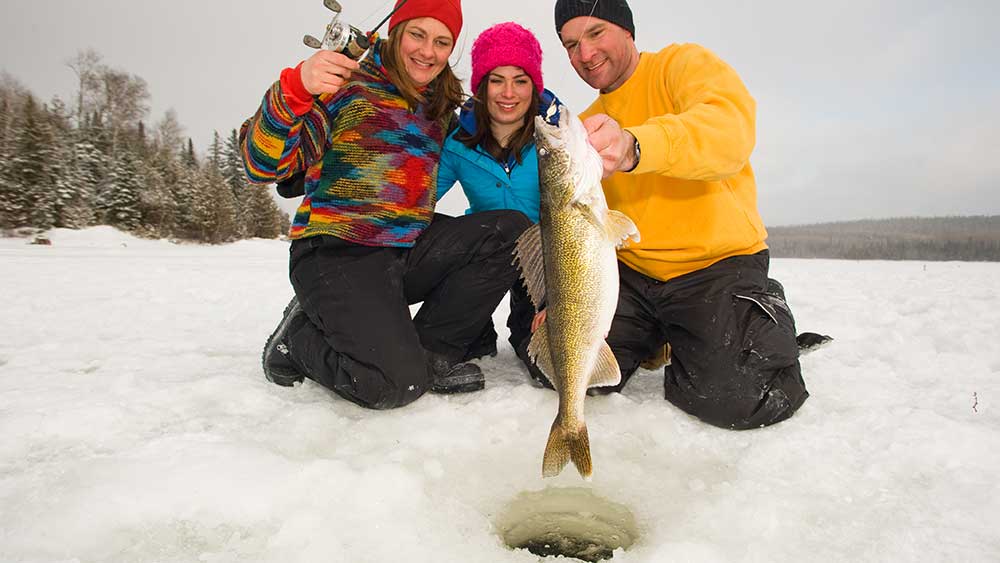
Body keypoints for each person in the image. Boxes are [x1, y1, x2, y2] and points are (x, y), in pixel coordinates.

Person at [543, 0, 822, 429]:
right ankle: (664, 335)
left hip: (713, 267)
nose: (585, 54)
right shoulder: (584, 129)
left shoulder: (681, 66)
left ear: (627, 31)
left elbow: (729, 131)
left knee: (735, 399)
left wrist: (637, 145)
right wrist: (557, 297)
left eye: (596, 33)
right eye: (571, 44)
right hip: (633, 276)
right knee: (567, 372)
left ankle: (758, 319)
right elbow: (574, 226)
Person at [240, 0, 531, 410]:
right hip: (336, 250)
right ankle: (297, 341)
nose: (428, 51)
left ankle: (430, 357)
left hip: (404, 247)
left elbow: (501, 118)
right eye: (417, 34)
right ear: (396, 30)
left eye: (442, 41)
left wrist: (547, 110)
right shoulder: (347, 81)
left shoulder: (441, 101)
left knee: (509, 232)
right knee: (390, 385)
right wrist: (297, 87)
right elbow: (261, 164)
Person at [434, 22, 562, 369]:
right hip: (488, 253)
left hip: (545, 265)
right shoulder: (458, 142)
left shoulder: (556, 139)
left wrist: (559, 299)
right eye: (497, 80)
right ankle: (474, 329)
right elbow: (422, 197)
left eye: (520, 80)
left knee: (545, 361)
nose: (509, 93)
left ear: (534, 86)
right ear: (481, 85)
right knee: (466, 346)